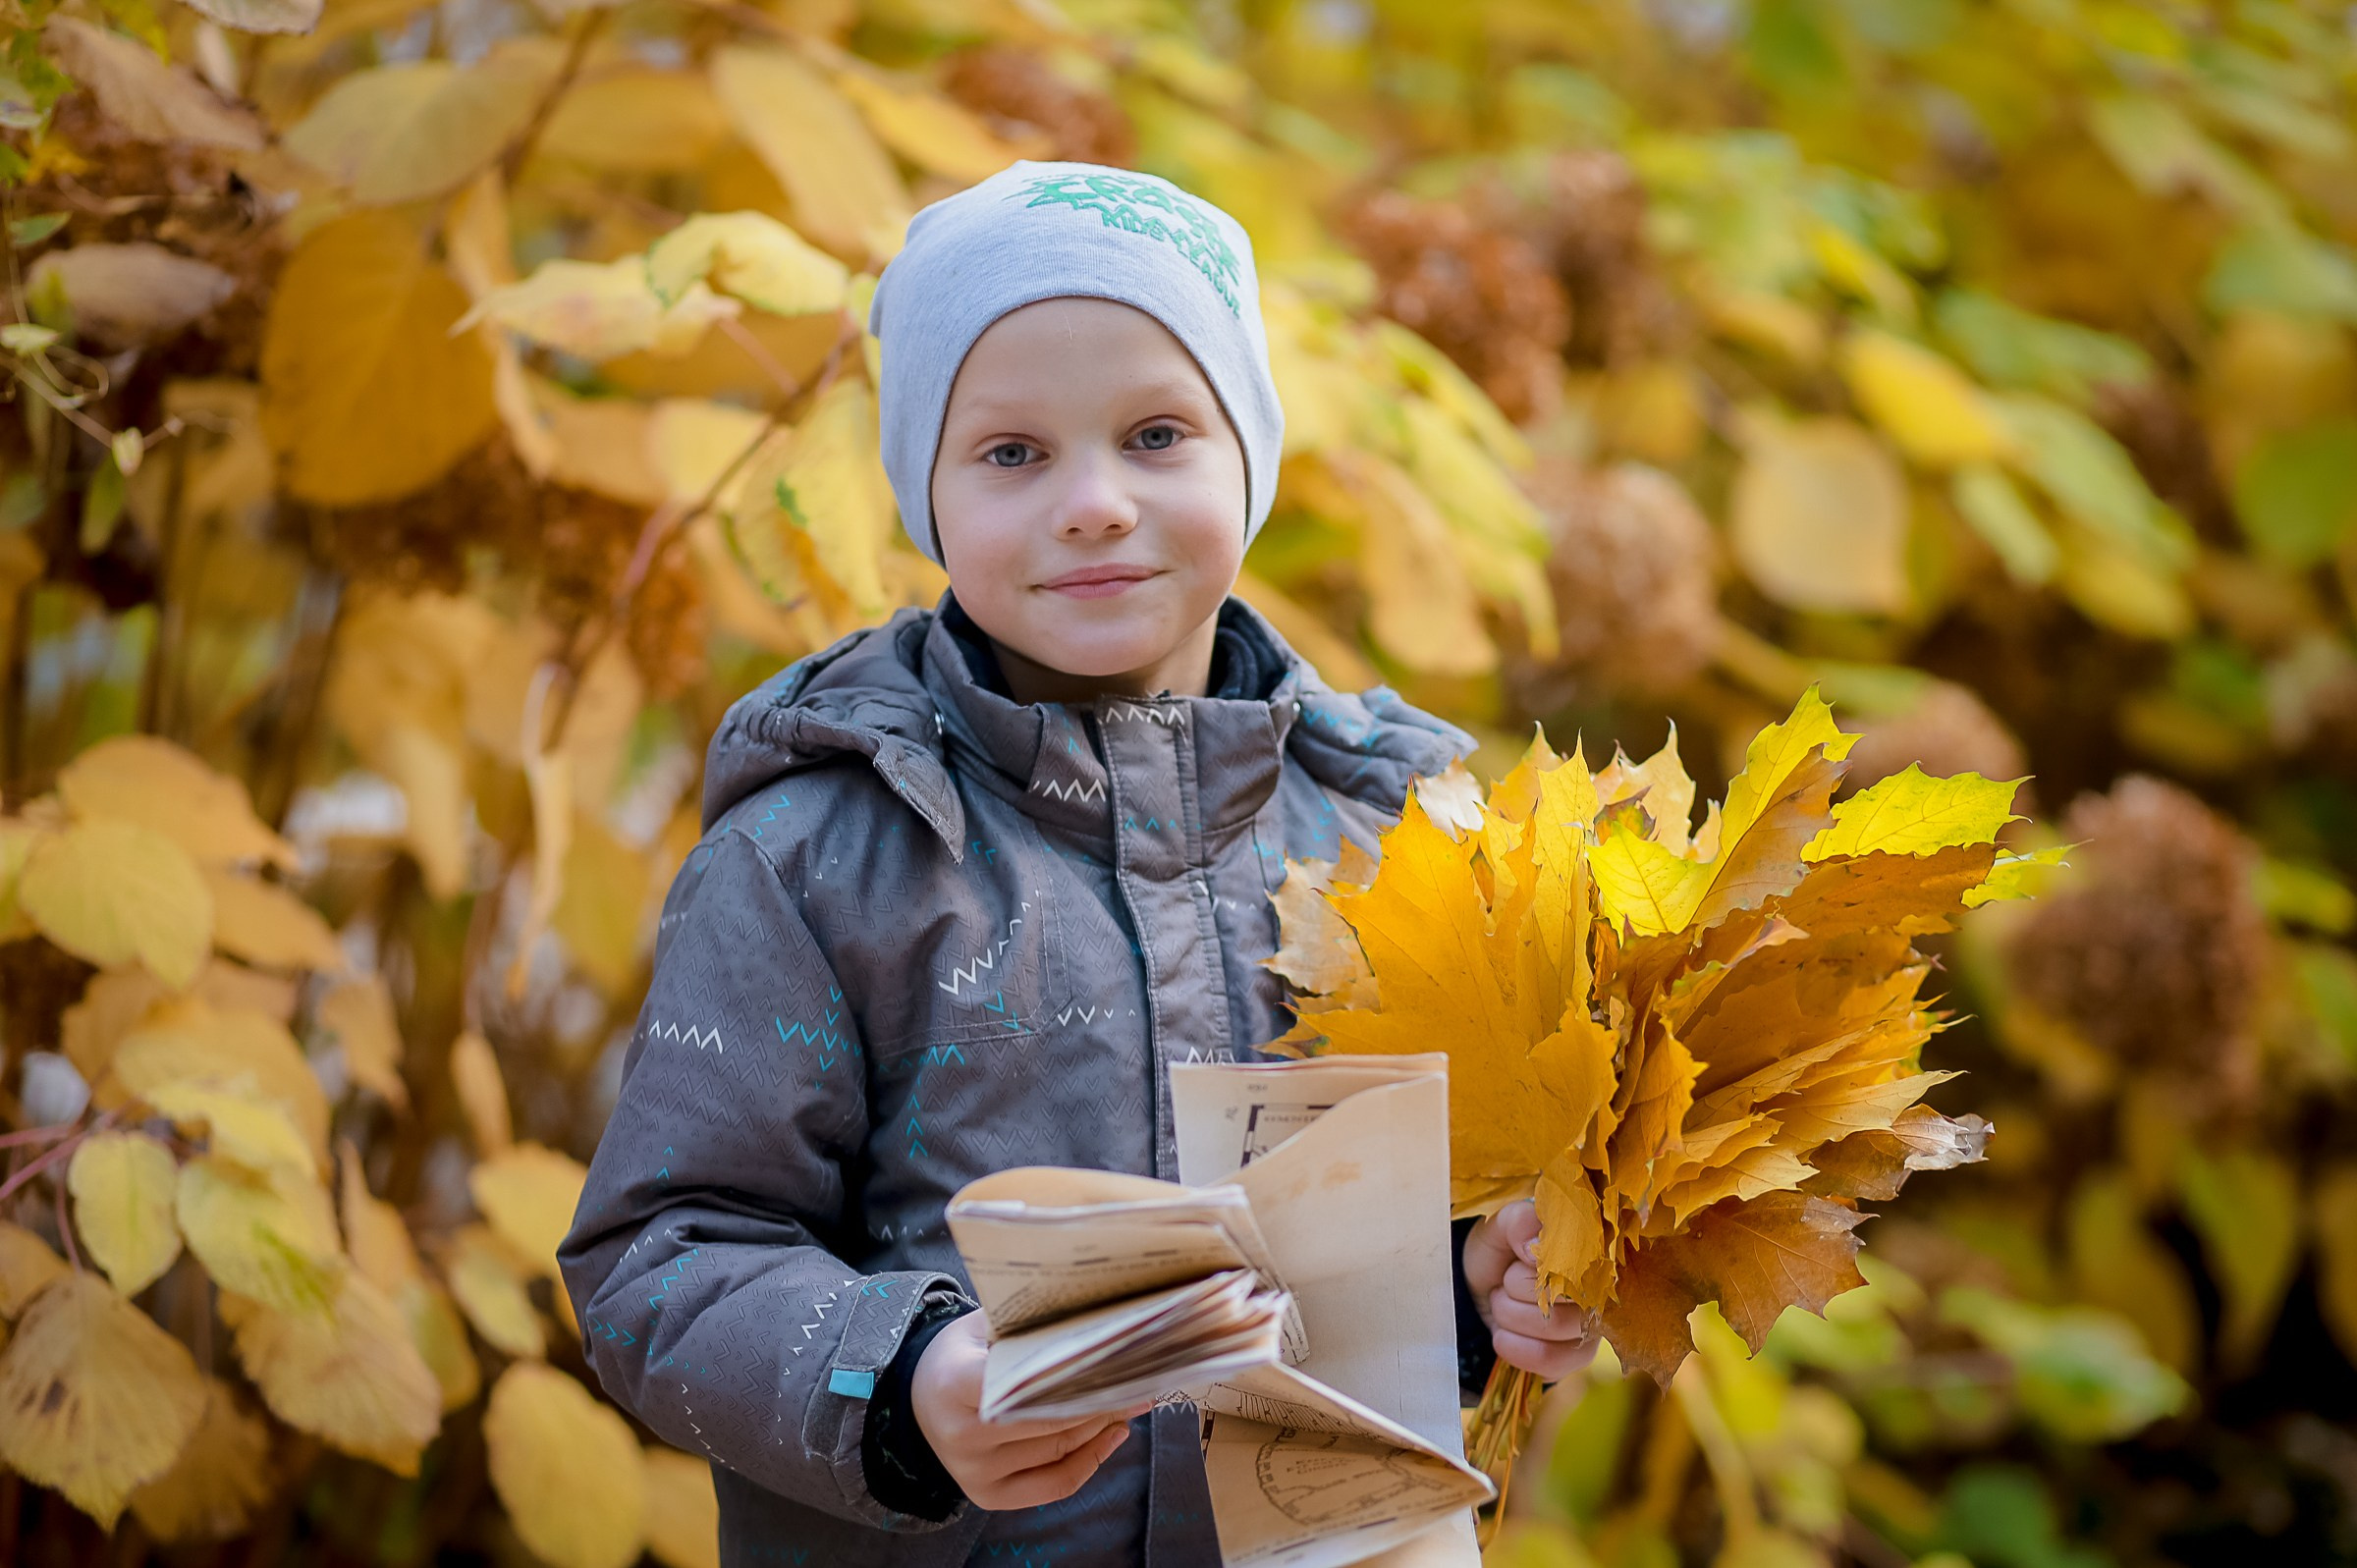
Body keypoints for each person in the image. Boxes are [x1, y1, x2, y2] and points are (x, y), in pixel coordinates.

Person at [558, 161, 1596, 1567]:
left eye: (1158, 433)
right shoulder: (825, 851)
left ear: (1253, 458)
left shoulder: (1384, 839)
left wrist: (1479, 1288)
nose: (1096, 502)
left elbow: (1379, 1272)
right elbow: (661, 1257)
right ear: (924, 488)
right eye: (1013, 453)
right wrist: (910, 1385)